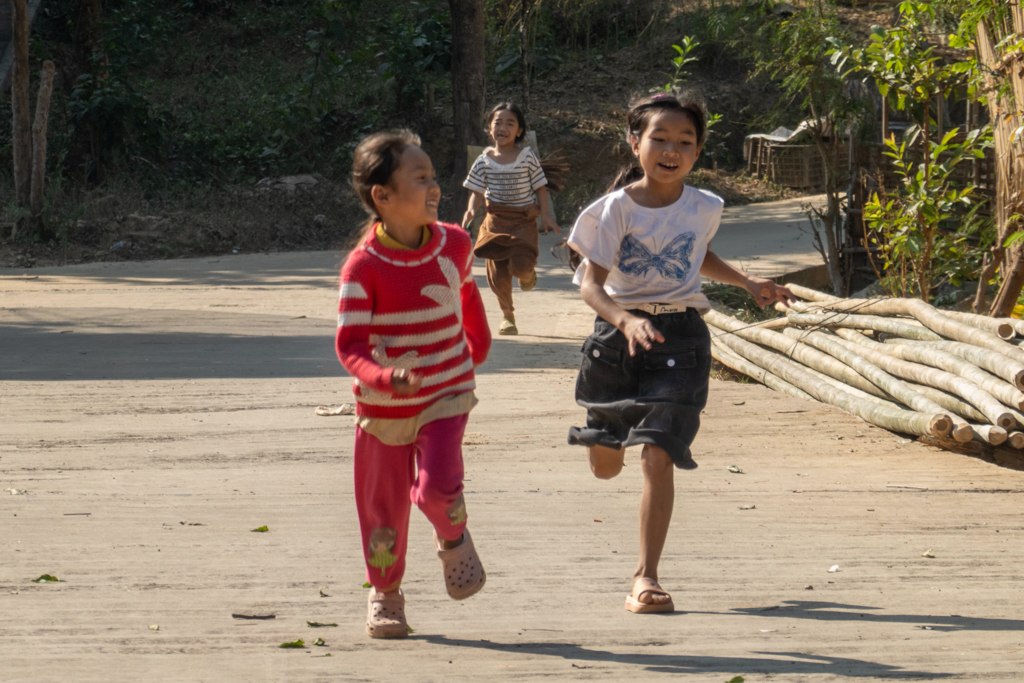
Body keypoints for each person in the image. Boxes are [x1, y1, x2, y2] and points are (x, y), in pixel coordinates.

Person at [565, 91, 794, 614]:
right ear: (634, 143)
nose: (671, 149)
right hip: (616, 342)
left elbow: (697, 252)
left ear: (698, 151)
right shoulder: (611, 210)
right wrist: (624, 319)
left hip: (681, 341)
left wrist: (747, 282)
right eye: (659, 138)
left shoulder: (706, 206)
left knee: (659, 453)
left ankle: (645, 576)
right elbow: (591, 287)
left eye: (685, 141)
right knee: (605, 463)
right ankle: (604, 439)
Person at [336, 130, 491, 638]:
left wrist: (478, 345)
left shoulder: (456, 242)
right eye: (419, 177)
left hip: (446, 391)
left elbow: (465, 296)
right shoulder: (364, 267)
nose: (434, 186)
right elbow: (350, 345)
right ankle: (385, 593)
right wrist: (384, 376)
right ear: (382, 196)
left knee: (439, 492)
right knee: (383, 511)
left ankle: (452, 537)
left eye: (432, 176)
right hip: (384, 409)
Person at [463, 102, 560, 336]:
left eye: (510, 123)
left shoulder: (527, 158)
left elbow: (540, 187)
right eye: (497, 122)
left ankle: (528, 274)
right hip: (495, 221)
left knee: (520, 268)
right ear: (490, 128)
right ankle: (508, 316)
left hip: (523, 222)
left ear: (519, 131)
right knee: (497, 273)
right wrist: (470, 211)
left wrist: (545, 215)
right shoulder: (483, 160)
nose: (502, 127)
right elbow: (476, 191)